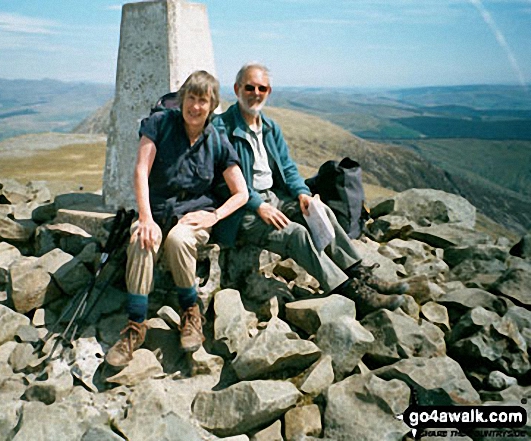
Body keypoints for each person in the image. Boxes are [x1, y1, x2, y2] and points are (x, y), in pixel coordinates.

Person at [213, 62, 407, 316]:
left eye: (262, 88)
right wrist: (258, 205)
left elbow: (288, 168)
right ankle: (350, 291)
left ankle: (359, 271)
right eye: (249, 87)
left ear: (269, 91)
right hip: (242, 209)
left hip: (275, 198)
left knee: (320, 211)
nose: (255, 93)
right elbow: (221, 182)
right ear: (237, 89)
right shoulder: (221, 128)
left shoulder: (270, 128)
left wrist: (302, 193)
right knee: (296, 234)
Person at [106, 70, 248, 367]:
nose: (195, 106)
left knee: (180, 239)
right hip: (155, 213)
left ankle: (189, 312)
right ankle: (135, 326)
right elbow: (141, 170)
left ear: (211, 107)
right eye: (191, 98)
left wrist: (215, 216)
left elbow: (242, 193)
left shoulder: (217, 141)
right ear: (182, 99)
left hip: (193, 218)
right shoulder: (159, 124)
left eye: (203, 101)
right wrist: (144, 217)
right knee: (142, 240)